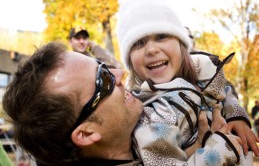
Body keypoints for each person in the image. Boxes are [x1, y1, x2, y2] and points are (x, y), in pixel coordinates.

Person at [2, 42, 245, 166]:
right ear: (86, 133)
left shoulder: (143, 112)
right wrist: (221, 149)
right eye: (104, 80)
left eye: (102, 65)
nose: (120, 73)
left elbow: (209, 77)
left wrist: (236, 113)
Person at [117, 0, 259, 165]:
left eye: (161, 36)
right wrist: (220, 148)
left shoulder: (204, 70)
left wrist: (236, 117)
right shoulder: (151, 117)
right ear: (130, 61)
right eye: (138, 43)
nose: (151, 49)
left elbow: (226, 93)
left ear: (181, 44)